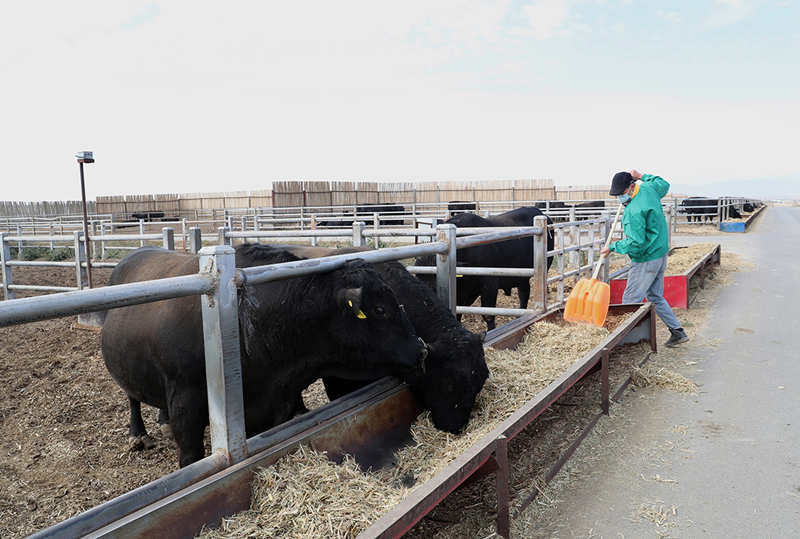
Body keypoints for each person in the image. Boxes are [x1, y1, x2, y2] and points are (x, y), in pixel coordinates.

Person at [601, 170, 689, 347]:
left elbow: (636, 243)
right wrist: (642, 175)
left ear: (631, 187)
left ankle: (627, 344)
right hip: (660, 252)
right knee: (655, 296)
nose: (619, 197)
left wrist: (612, 247)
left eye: (621, 193)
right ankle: (677, 332)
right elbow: (663, 184)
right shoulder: (648, 189)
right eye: (617, 194)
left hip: (646, 258)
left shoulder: (633, 211)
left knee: (629, 302)